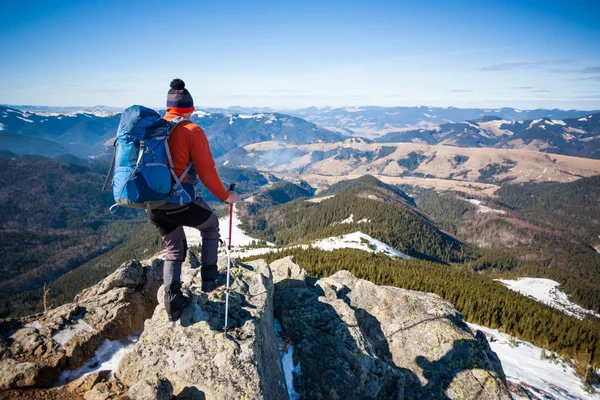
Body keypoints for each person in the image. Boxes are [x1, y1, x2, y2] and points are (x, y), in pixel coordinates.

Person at [147, 78, 238, 322]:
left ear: (168, 107)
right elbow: (207, 173)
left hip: (152, 204)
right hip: (181, 203)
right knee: (210, 226)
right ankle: (209, 280)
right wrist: (226, 196)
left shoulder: (152, 129)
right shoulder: (192, 131)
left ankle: (172, 300)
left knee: (174, 248)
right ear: (190, 109)